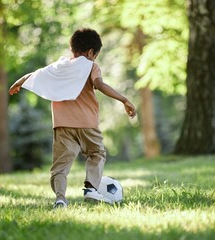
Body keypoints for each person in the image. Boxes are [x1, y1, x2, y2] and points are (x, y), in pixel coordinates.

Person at [9, 28, 136, 208]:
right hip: (87, 124)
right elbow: (99, 84)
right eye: (95, 55)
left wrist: (18, 83)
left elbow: (35, 74)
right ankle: (91, 188)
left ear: (72, 50)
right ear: (91, 52)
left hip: (62, 126)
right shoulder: (91, 66)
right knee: (96, 153)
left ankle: (60, 199)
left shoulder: (59, 67)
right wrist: (124, 99)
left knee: (60, 167)